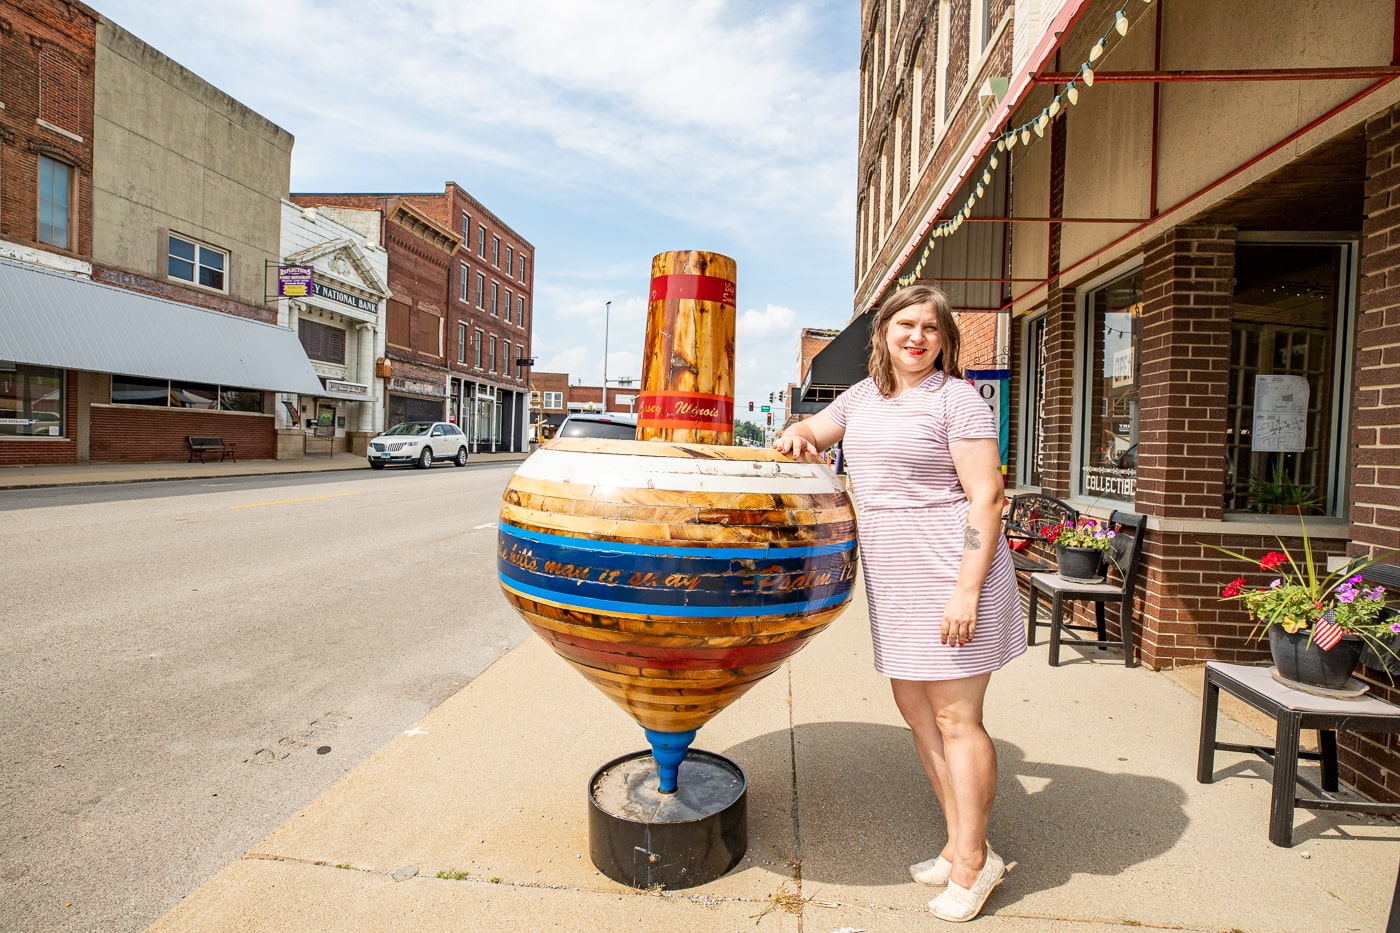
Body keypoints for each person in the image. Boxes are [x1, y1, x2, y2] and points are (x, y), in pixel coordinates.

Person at [773, 284, 1023, 923]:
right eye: (906, 324)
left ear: (945, 340)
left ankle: (973, 864)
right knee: (916, 710)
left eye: (931, 328)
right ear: (883, 332)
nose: (917, 337)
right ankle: (961, 844)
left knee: (956, 720)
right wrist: (795, 433)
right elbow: (813, 429)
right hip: (897, 576)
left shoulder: (958, 400)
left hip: (950, 571)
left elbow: (987, 497)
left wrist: (966, 591)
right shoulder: (863, 397)